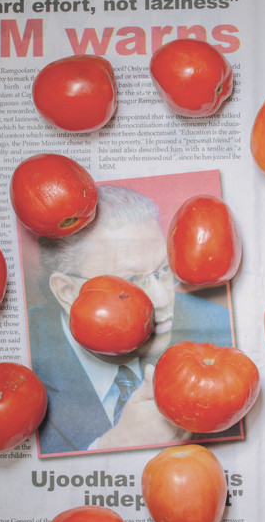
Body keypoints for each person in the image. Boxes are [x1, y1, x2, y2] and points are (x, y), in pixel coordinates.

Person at [27, 184, 233, 456]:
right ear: (68, 292)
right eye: (131, 282)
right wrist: (111, 446)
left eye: (163, 270)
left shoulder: (217, 327)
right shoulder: (24, 356)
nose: (161, 300)